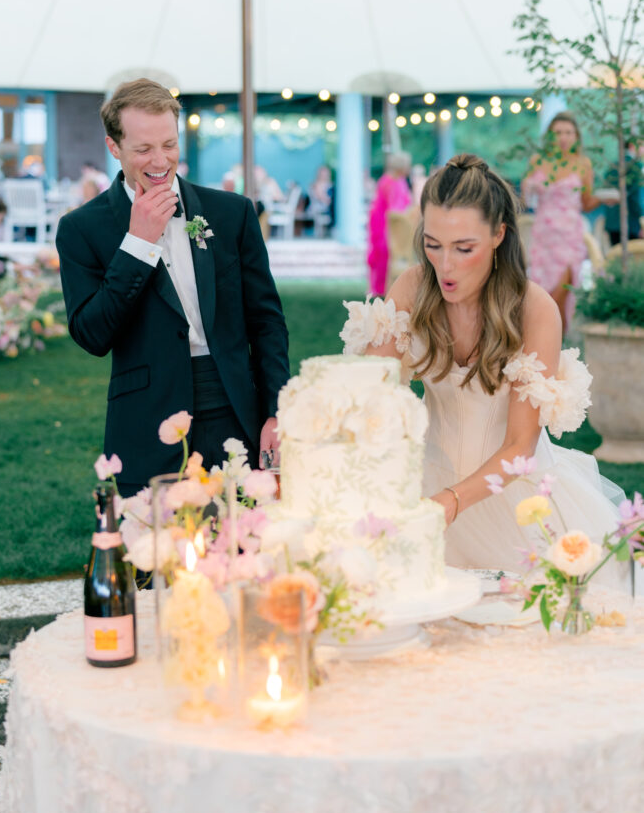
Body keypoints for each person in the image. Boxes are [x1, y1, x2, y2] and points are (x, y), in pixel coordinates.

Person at [341, 153, 626, 584]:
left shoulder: (534, 309)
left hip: (516, 495)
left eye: (463, 248)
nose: (445, 265)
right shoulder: (413, 287)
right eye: (433, 245)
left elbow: (520, 446)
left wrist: (447, 504)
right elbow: (370, 391)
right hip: (427, 481)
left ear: (498, 234)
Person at [56, 79, 290, 497]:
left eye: (169, 144)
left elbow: (266, 322)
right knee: (154, 553)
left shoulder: (232, 213)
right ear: (114, 148)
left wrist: (275, 411)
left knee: (243, 548)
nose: (160, 160)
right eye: (143, 149)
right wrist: (138, 245)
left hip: (234, 407)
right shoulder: (80, 229)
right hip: (146, 418)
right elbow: (92, 335)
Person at [522, 112, 603, 332]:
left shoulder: (583, 163)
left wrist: (605, 199)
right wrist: (526, 187)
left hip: (569, 236)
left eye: (568, 132)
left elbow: (586, 202)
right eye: (558, 132)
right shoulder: (537, 161)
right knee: (542, 291)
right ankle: (542, 339)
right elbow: (525, 199)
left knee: (563, 291)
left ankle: (558, 340)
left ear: (576, 136)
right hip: (544, 236)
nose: (563, 137)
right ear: (549, 136)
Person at [367, 151, 413, 296]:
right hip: (386, 224)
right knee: (384, 254)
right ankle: (380, 289)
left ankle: (383, 287)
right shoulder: (392, 182)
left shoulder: (394, 181)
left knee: (385, 255)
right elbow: (395, 209)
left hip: (387, 222)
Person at [604, 139, 643, 246]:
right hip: (631, 224)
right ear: (632, 146)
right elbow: (636, 200)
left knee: (616, 257)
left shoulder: (612, 165)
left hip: (612, 224)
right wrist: (641, 223)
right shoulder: (636, 166)